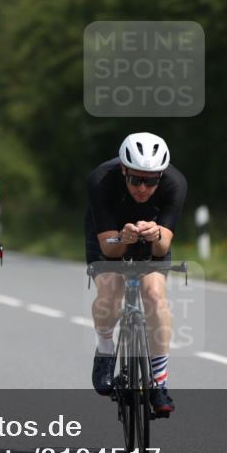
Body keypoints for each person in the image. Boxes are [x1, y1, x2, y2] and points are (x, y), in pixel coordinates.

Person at [85, 132, 187, 416]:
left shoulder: (175, 183)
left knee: (155, 295)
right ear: (123, 169)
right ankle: (105, 350)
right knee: (110, 295)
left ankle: (159, 382)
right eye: (136, 179)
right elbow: (110, 248)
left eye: (151, 181)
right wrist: (123, 237)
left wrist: (155, 234)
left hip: (150, 239)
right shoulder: (100, 180)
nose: (143, 188)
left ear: (161, 176)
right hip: (109, 237)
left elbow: (164, 245)